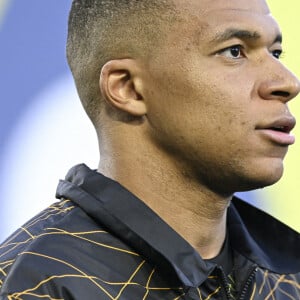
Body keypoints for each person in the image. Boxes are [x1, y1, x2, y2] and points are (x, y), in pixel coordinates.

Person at [0, 0, 299, 299]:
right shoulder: (33, 286)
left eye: (275, 53)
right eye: (234, 51)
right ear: (127, 88)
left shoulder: (288, 281)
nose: (287, 82)